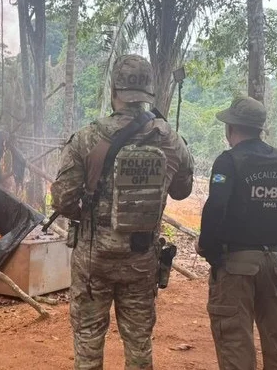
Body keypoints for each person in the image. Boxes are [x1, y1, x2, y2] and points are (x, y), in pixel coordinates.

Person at [51, 54, 194, 370]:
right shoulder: (168, 138)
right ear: (147, 93)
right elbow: (182, 191)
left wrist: (89, 211)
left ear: (114, 89)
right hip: (142, 260)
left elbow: (62, 200)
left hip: (93, 261)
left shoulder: (87, 137)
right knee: (139, 345)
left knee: (88, 341)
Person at [196, 96, 277, 370]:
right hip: (275, 262)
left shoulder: (228, 161)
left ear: (231, 128)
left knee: (235, 339)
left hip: (237, 264)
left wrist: (209, 250)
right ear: (259, 129)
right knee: (276, 338)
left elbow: (216, 205)